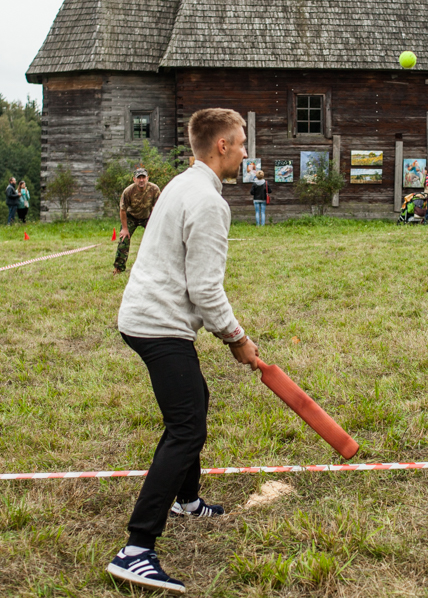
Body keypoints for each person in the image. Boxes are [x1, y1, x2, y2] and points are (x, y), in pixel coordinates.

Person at [105, 109, 259, 593]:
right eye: (241, 143)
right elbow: (206, 290)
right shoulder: (210, 203)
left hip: (147, 316)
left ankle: (186, 500)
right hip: (158, 324)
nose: (245, 152)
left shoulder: (180, 184)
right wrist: (237, 339)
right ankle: (136, 548)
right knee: (187, 425)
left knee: (194, 406)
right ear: (221, 147)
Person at [113, 168, 161, 275]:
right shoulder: (128, 191)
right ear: (134, 179)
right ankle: (119, 268)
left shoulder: (154, 189)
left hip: (148, 216)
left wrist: (157, 224)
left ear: (147, 178)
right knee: (123, 239)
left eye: (143, 177)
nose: (141, 180)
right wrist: (125, 229)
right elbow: (122, 210)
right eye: (139, 178)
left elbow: (159, 207)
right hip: (131, 217)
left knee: (159, 239)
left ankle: (158, 267)